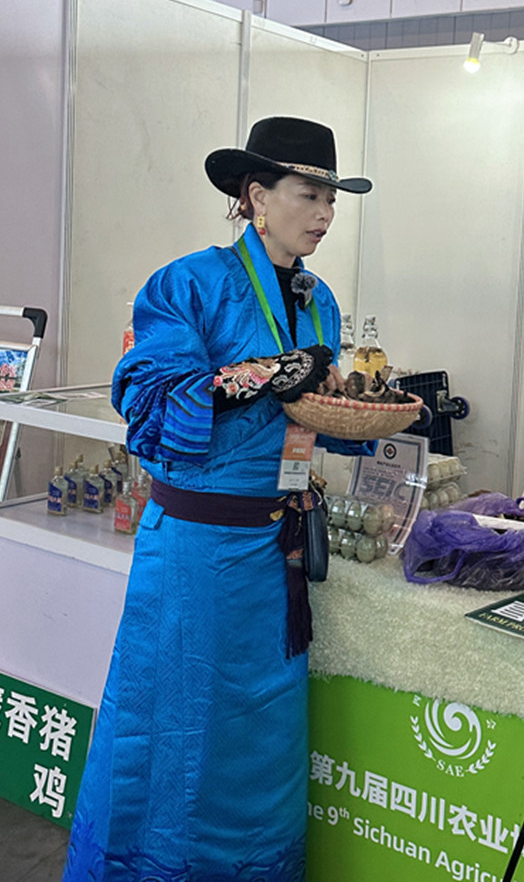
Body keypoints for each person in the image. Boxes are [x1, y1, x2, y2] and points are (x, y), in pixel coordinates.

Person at [62, 116, 373, 882]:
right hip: (196, 556)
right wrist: (269, 373)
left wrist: (357, 409)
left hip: (275, 562)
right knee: (175, 736)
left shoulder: (321, 300)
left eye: (332, 199)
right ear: (256, 195)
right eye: (309, 194)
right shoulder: (187, 284)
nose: (325, 213)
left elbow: (310, 419)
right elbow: (148, 401)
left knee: (260, 748)